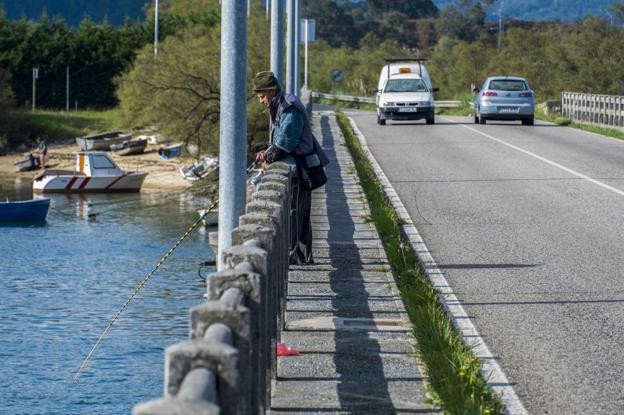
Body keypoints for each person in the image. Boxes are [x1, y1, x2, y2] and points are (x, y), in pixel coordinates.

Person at [253, 71, 329, 265]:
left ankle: (295, 257)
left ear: (271, 91)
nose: (261, 101)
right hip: (295, 167)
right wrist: (267, 153)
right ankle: (302, 256)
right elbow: (279, 140)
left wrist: (268, 157)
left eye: (262, 96)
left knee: (295, 214)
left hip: (300, 170)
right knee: (298, 214)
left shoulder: (289, 107)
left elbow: (286, 143)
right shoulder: (280, 105)